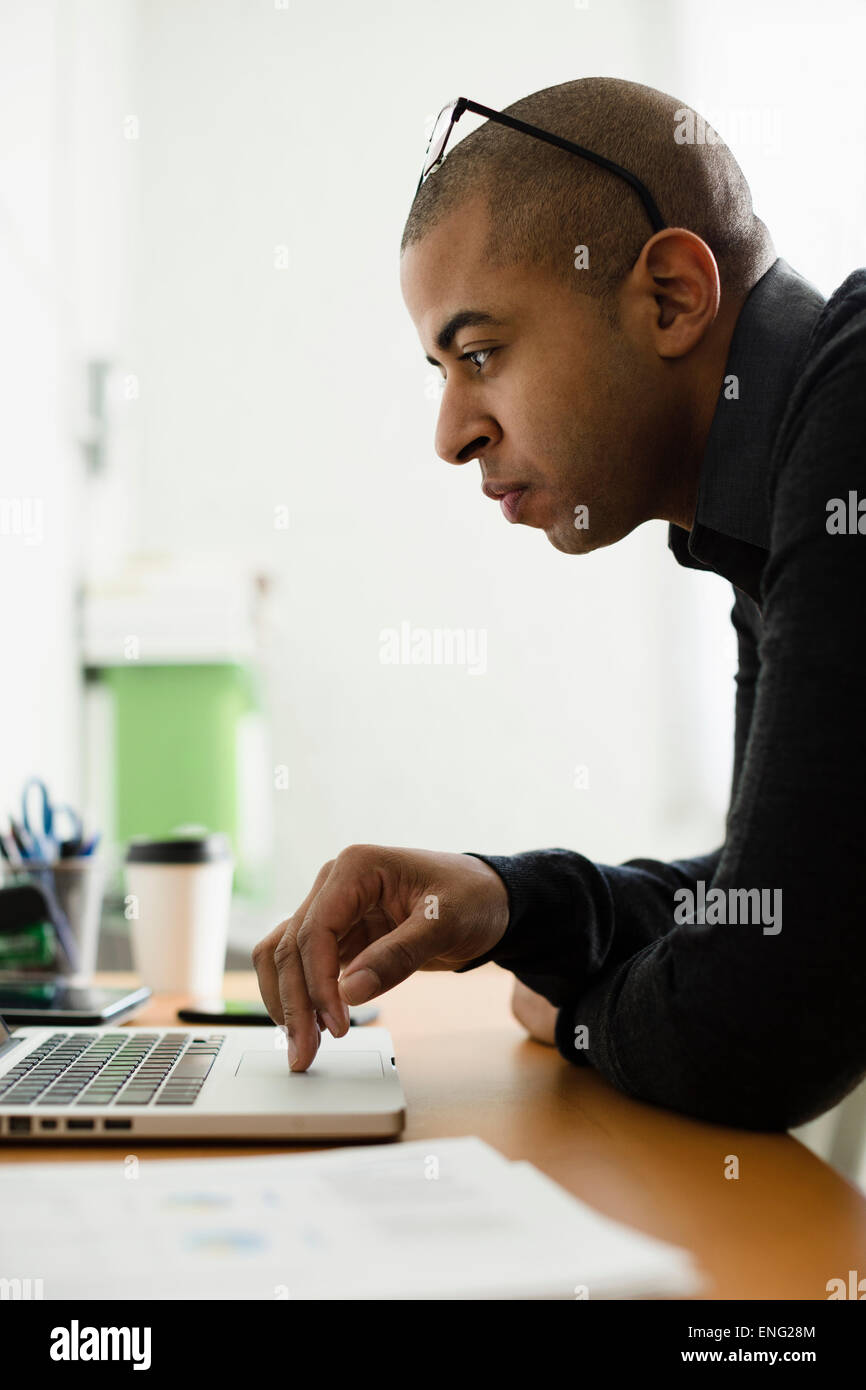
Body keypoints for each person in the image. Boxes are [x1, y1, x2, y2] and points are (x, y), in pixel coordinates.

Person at [254, 77, 866, 1130]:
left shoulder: (849, 425)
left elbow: (759, 1020)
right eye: (440, 371)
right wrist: (500, 902)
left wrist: (569, 1012)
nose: (450, 435)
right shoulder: (766, 505)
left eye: (480, 353)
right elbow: (764, 888)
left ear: (670, 296)